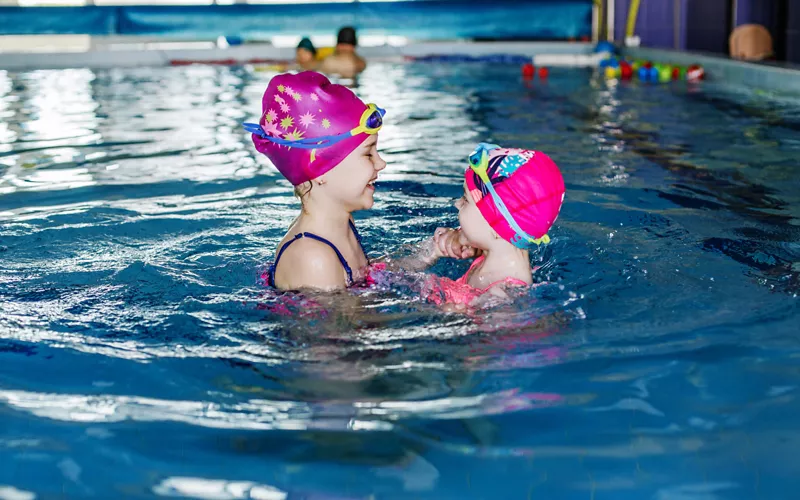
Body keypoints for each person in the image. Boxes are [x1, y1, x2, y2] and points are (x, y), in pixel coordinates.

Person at [242, 71, 469, 291]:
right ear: (319, 170)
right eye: (368, 153)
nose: (381, 163)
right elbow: (350, 317)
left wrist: (433, 250)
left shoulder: (338, 224)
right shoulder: (314, 258)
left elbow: (369, 275)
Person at [423, 143, 566, 309]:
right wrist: (438, 250)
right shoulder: (487, 252)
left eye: (466, 199)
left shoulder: (503, 294)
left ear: (497, 225)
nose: (457, 203)